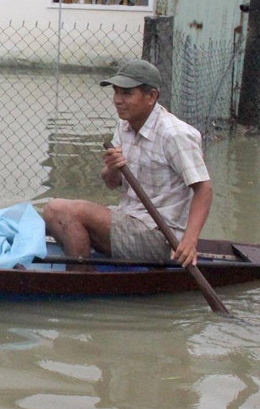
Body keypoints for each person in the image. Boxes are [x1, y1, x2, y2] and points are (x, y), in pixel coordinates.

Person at [42, 59, 212, 267]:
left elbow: (203, 189)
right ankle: (82, 271)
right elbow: (112, 183)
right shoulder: (124, 126)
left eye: (126, 93)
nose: (118, 100)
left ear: (151, 97)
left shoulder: (175, 135)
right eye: (116, 92)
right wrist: (113, 168)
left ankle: (80, 277)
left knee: (64, 210)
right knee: (51, 211)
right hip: (128, 218)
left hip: (162, 236)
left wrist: (189, 242)